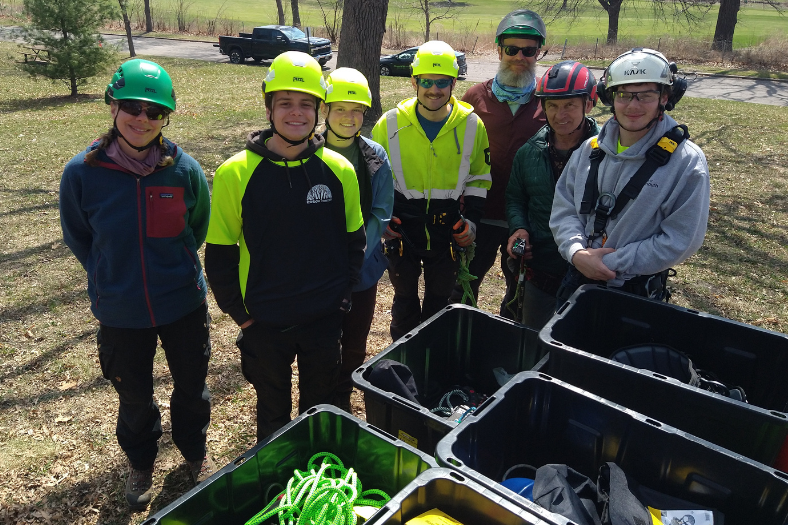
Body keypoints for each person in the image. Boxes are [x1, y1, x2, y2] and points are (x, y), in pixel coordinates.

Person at [59, 59, 214, 510]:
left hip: (182, 304)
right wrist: (113, 276)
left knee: (192, 385)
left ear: (166, 117)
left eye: (155, 111)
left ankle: (192, 453)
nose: (142, 118)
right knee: (134, 394)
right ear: (112, 106)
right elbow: (79, 237)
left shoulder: (184, 170)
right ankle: (141, 461)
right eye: (132, 106)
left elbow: (196, 229)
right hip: (121, 311)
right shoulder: (82, 174)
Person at [204, 51, 365, 440]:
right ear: (268, 107)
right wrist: (242, 317)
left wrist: (340, 301)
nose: (297, 113)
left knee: (318, 412)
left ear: (319, 109)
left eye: (306, 104)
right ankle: (276, 485)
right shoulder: (235, 173)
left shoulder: (340, 171)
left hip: (323, 321)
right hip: (264, 323)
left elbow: (354, 245)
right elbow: (220, 256)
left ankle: (315, 480)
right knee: (272, 417)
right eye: (285, 103)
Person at [549, 48, 709, 305]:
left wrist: (607, 263)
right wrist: (576, 252)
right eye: (623, 95)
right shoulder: (590, 150)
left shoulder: (686, 162)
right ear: (610, 97)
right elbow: (564, 208)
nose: (633, 105)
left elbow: (680, 239)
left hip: (634, 291)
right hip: (576, 278)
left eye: (645, 95)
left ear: (665, 97)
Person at [372, 40, 491, 341]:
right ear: (414, 81)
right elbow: (374, 180)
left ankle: (434, 367)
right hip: (402, 229)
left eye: (442, 82)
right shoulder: (389, 124)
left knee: (441, 307)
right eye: (426, 81)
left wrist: (473, 221)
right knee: (404, 305)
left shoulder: (472, 126)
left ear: (453, 82)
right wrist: (383, 221)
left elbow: (479, 177)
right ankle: (402, 371)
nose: (434, 90)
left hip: (447, 229)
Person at [450, 9, 547, 316]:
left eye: (528, 51)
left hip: (524, 222)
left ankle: (505, 347)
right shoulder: (475, 96)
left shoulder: (547, 101)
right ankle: (459, 338)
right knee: (463, 286)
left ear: (538, 53)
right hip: (478, 213)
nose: (520, 56)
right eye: (512, 49)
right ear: (498, 49)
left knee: (519, 293)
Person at [318, 68, 394, 412]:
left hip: (361, 271)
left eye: (357, 110)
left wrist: (356, 256)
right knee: (320, 341)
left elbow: (381, 210)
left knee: (354, 340)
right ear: (325, 111)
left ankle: (342, 397)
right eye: (340, 109)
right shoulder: (307, 151)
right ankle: (318, 397)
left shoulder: (374, 156)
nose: (349, 118)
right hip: (316, 273)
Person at [505, 61, 601, 329]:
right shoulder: (529, 153)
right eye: (553, 106)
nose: (561, 115)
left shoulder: (608, 155)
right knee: (533, 337)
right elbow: (515, 198)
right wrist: (519, 227)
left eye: (569, 105)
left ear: (588, 105)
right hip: (541, 270)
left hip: (590, 273)